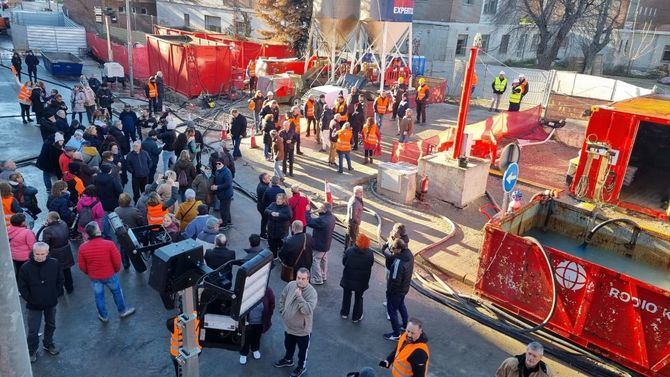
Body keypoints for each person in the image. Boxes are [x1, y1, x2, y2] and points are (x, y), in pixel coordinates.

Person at [78, 222, 136, 322]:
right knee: (117, 292)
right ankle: (122, 311)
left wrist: (89, 272)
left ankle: (104, 316)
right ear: (97, 231)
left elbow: (82, 266)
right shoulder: (109, 244)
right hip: (110, 274)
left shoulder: (82, 248)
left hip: (95, 277)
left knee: (99, 296)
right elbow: (117, 261)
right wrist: (116, 270)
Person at [18, 242, 63, 363]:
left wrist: (56, 294)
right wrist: (31, 299)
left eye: (43, 254)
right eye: (37, 254)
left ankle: (48, 344)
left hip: (50, 302)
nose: (40, 256)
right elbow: (22, 287)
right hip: (34, 305)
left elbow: (60, 280)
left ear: (47, 253)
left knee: (51, 324)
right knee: (33, 329)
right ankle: (32, 350)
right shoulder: (25, 268)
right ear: (33, 253)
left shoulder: (54, 263)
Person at [274, 268, 318, 377]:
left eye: (303, 278)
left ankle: (301, 367)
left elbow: (307, 310)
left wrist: (299, 297)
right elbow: (283, 297)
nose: (300, 281)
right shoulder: (291, 285)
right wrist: (282, 311)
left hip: (302, 331)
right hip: (289, 327)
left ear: (308, 279)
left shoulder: (312, 293)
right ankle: (288, 359)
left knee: (302, 352)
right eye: (298, 278)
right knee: (288, 345)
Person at [384, 238, 414, 341]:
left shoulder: (398, 263)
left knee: (392, 310)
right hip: (404, 288)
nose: (392, 250)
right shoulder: (409, 255)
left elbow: (394, 280)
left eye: (393, 248)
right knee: (401, 305)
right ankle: (405, 325)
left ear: (399, 249)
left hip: (395, 291)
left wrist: (389, 292)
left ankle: (396, 333)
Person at [340, 234, 374, 322]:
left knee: (347, 295)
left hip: (348, 279)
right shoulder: (370, 254)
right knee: (359, 298)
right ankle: (356, 316)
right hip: (362, 281)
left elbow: (344, 262)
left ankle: (344, 313)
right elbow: (370, 265)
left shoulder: (349, 251)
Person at [40, 211, 75, 293]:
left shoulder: (47, 231)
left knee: (57, 273)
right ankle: (70, 288)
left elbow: (45, 244)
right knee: (67, 270)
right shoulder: (63, 224)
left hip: (55, 253)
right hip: (66, 250)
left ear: (50, 220)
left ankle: (60, 290)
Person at [239, 287, 275, 365]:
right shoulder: (245, 290)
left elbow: (272, 303)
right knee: (245, 338)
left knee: (257, 336)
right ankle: (243, 353)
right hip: (247, 322)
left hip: (260, 322)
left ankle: (255, 349)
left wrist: (268, 315)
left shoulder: (268, 290)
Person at [306, 202, 336, 285]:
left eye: (321, 208)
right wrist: (319, 211)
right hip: (326, 244)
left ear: (325, 209)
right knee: (324, 260)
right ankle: (323, 275)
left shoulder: (322, 220)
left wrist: (307, 211)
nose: (319, 209)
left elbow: (309, 221)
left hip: (319, 244)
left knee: (315, 260)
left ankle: (318, 279)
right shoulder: (332, 218)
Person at [8, 213, 36, 279]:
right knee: (27, 274)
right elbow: (33, 247)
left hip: (14, 256)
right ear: (22, 223)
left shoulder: (9, 229)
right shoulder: (27, 232)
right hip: (25, 258)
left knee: (19, 272)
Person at [265, 193, 292, 257]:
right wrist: (271, 212)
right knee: (272, 245)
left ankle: (280, 256)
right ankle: (274, 256)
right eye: (277, 198)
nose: (277, 200)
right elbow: (266, 210)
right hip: (271, 230)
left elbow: (289, 216)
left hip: (281, 232)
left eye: (280, 199)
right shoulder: (273, 204)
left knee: (280, 246)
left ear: (284, 200)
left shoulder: (287, 208)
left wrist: (279, 215)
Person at [211, 159, 233, 229]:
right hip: (222, 194)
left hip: (226, 194)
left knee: (223, 209)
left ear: (223, 164)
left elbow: (228, 184)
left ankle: (225, 224)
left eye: (219, 163)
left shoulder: (226, 172)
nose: (217, 165)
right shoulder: (218, 170)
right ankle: (228, 221)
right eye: (216, 163)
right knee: (226, 209)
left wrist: (217, 187)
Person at [256, 173, 270, 238]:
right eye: (267, 178)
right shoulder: (264, 188)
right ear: (263, 180)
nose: (269, 178)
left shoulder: (261, 185)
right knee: (265, 220)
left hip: (261, 206)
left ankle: (264, 231)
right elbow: (266, 200)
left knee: (264, 220)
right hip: (263, 208)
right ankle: (263, 234)